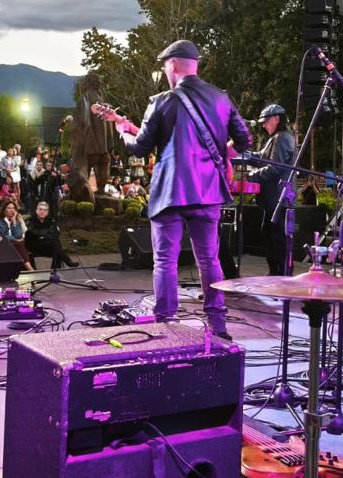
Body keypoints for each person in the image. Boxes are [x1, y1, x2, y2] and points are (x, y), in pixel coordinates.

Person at [102, 39, 252, 338]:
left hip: (170, 192)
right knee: (209, 259)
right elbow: (245, 140)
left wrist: (121, 131)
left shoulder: (161, 100)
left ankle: (166, 324)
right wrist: (222, 157)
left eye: (164, 65)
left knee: (166, 261)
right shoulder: (221, 98)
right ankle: (218, 324)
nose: (164, 70)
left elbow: (141, 148)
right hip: (207, 192)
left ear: (173, 64)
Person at [250, 103, 298, 276]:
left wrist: (250, 177)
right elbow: (264, 159)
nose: (263, 125)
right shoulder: (278, 137)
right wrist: (245, 156)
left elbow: (274, 168)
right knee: (270, 237)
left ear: (277, 119)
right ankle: (275, 275)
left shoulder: (282, 138)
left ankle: (281, 277)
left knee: (277, 240)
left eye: (266, 121)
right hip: (275, 201)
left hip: (280, 200)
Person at [25, 200, 78, 271]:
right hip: (34, 246)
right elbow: (29, 234)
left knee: (56, 246)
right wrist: (43, 236)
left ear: (47, 212)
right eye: (40, 209)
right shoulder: (30, 221)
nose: (42, 211)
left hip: (47, 245)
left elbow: (55, 234)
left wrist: (42, 236)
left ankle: (55, 270)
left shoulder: (51, 222)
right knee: (56, 246)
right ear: (36, 210)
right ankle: (68, 261)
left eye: (44, 210)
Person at [0, 200, 36, 271]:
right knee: (18, 244)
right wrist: (14, 239)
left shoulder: (17, 221)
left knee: (20, 244)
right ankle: (29, 268)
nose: (12, 210)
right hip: (3, 244)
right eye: (9, 208)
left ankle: (28, 267)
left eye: (13, 208)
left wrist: (14, 222)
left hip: (16, 244)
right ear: (4, 210)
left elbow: (18, 235)